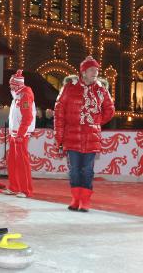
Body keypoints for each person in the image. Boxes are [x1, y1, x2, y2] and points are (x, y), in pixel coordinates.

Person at [54, 56, 115, 212]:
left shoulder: (101, 89)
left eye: (97, 70)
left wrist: (96, 120)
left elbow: (110, 110)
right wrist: (59, 139)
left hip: (91, 138)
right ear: (83, 72)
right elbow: (59, 112)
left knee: (87, 170)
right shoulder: (69, 87)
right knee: (74, 170)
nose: (95, 73)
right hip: (72, 136)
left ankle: (85, 201)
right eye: (92, 70)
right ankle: (75, 199)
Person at [4, 70, 36, 198]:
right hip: (14, 133)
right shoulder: (16, 95)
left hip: (21, 134)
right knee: (12, 160)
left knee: (22, 161)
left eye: (11, 84)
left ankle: (26, 189)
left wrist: (21, 134)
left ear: (17, 85)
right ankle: (14, 187)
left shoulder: (25, 96)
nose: (10, 86)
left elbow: (27, 117)